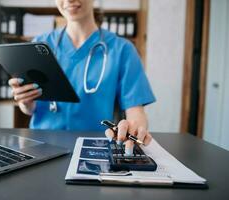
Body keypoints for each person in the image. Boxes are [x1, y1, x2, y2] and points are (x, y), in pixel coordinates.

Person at [9, 0, 155, 155]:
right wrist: (25, 102)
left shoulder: (122, 49)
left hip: (95, 149)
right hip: (41, 148)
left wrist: (134, 129)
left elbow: (135, 111)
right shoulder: (39, 45)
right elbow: (31, 109)